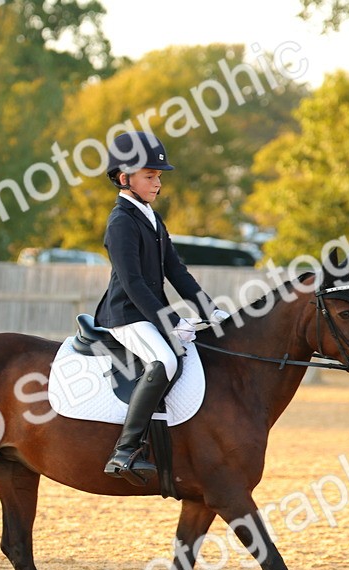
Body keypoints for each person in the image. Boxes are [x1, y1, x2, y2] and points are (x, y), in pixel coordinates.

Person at [93, 131, 229, 485]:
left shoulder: (151, 217)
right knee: (165, 360)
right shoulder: (121, 221)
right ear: (124, 178)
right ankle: (125, 450)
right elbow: (134, 283)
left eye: (159, 177)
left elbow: (175, 271)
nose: (158, 183)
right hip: (124, 315)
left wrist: (210, 311)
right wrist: (171, 322)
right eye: (150, 176)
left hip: (146, 313)